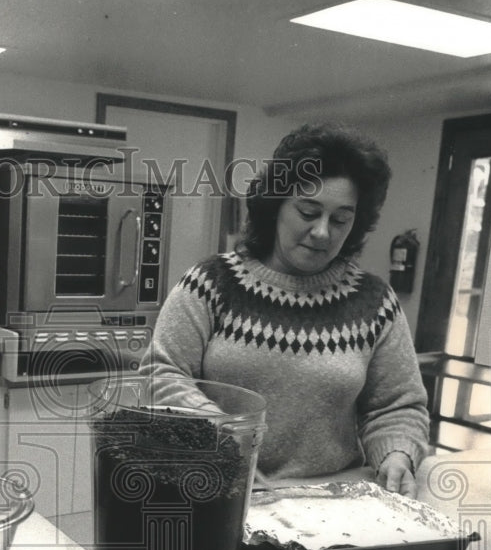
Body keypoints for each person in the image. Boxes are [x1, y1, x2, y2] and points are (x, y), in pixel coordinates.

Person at [139, 122, 429, 498]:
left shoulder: (375, 303)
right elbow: (160, 376)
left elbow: (397, 407)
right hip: (218, 492)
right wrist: (226, 435)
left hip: (330, 502)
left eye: (340, 219)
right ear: (275, 206)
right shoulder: (211, 283)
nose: (323, 232)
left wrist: (397, 455)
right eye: (308, 212)